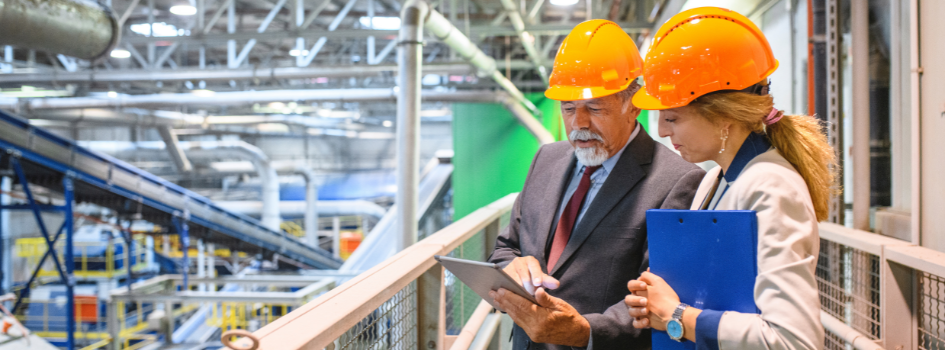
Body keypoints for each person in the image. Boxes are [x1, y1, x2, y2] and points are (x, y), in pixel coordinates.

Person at [623, 7, 834, 350]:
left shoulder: (771, 186)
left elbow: (794, 340)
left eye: (672, 118)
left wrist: (677, 315)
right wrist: (656, 305)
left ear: (723, 116)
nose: (661, 131)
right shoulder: (713, 180)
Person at [486, 19, 705, 350]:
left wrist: (584, 332)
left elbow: (657, 301)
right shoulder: (546, 159)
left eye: (594, 108)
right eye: (569, 108)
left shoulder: (678, 181)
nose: (579, 123)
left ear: (632, 105)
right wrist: (512, 269)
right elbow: (505, 249)